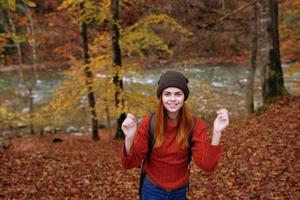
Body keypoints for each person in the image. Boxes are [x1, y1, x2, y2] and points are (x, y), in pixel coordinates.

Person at [121, 71, 229, 200]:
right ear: (161, 97)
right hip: (152, 189)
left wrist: (217, 132)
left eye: (178, 94)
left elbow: (207, 166)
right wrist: (129, 138)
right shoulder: (149, 123)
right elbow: (129, 164)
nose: (172, 99)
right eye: (167, 94)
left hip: (179, 191)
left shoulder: (195, 125)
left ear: (184, 97)